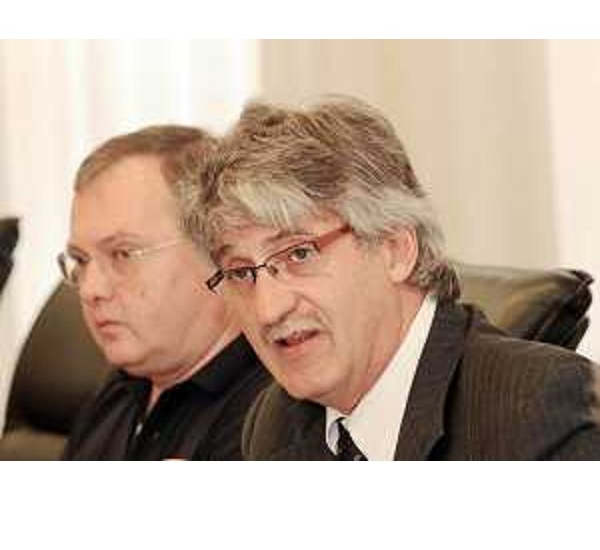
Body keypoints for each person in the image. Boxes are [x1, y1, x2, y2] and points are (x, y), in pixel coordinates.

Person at [181, 95, 600, 460]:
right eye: (240, 272)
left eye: (299, 254)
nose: (268, 309)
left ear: (395, 249)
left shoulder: (541, 406)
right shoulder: (276, 420)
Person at [60, 125, 270, 460]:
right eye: (81, 260)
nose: (90, 289)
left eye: (122, 254)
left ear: (216, 252)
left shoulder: (270, 415)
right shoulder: (120, 389)